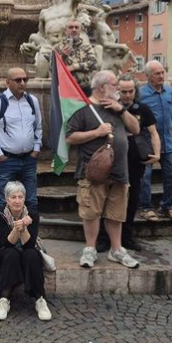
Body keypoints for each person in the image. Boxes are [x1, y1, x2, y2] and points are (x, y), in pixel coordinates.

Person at [65, 70, 141, 269]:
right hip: (94, 172)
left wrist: (121, 110)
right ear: (102, 87)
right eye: (115, 84)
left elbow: (136, 129)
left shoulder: (118, 107)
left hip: (119, 171)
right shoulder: (84, 108)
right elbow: (70, 137)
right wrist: (96, 132)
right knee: (91, 212)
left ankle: (116, 249)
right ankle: (90, 249)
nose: (118, 88)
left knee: (116, 214)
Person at [97, 74, 157, 253]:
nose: (128, 95)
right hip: (112, 156)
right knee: (107, 197)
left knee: (132, 198)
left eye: (131, 91)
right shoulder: (108, 107)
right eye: (124, 92)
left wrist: (157, 153)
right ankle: (103, 238)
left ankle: (127, 236)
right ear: (117, 90)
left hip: (134, 157)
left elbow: (153, 132)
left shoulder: (142, 108)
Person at [0, 67, 43, 214]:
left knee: (31, 200)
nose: (22, 83)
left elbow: (38, 126)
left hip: (28, 159)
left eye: (25, 79)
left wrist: (36, 149)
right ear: (7, 82)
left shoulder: (32, 101)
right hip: (7, 160)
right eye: (18, 80)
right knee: (2, 200)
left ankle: (30, 229)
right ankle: (2, 229)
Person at [0, 181, 50, 321]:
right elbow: (7, 244)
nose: (17, 201)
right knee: (11, 255)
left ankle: (40, 299)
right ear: (7, 199)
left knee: (31, 255)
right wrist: (16, 229)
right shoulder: (0, 214)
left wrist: (23, 229)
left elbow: (29, 245)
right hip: (6, 248)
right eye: (13, 197)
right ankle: (4, 299)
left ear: (24, 198)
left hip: (26, 246)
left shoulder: (33, 215)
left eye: (20, 197)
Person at [138, 61, 172, 223]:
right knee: (145, 176)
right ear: (148, 76)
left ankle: (167, 206)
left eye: (162, 72)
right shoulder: (140, 94)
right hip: (147, 141)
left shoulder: (170, 91)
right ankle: (146, 207)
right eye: (157, 73)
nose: (161, 76)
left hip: (167, 140)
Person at [57, 19, 98, 93]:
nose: (74, 30)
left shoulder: (87, 47)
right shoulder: (58, 47)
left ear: (80, 30)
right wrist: (62, 57)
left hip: (84, 88)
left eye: (76, 27)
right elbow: (52, 67)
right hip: (65, 88)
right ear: (65, 31)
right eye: (70, 27)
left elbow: (93, 64)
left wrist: (74, 67)